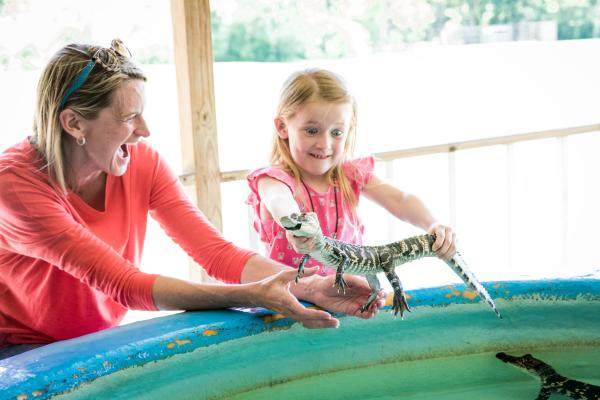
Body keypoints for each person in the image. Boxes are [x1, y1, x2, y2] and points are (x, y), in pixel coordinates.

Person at [0, 41, 383, 360]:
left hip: (96, 341)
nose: (144, 131)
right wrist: (252, 295)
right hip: (19, 351)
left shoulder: (140, 161)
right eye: (130, 117)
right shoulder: (15, 186)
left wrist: (309, 286)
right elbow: (124, 285)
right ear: (74, 123)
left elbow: (215, 253)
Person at [247, 68, 457, 277]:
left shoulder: (350, 174)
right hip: (294, 301)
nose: (325, 144)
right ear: (282, 127)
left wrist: (433, 223)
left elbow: (401, 199)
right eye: (312, 131)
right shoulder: (273, 179)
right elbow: (278, 201)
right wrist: (296, 227)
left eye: (337, 132)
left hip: (350, 298)